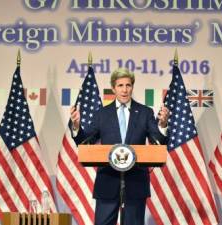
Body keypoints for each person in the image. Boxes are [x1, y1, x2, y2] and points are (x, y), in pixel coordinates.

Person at [70, 68, 169, 225]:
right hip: (107, 182)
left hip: (135, 183)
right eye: (120, 85)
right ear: (113, 88)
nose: (124, 90)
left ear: (132, 87)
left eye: (128, 85)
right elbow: (84, 142)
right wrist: (76, 127)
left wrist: (162, 125)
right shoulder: (101, 114)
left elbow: (157, 142)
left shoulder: (145, 112)